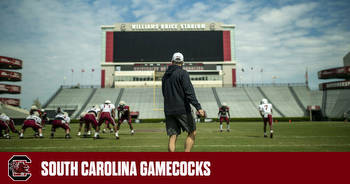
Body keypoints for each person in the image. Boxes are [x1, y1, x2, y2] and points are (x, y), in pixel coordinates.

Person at [162, 52, 205, 152]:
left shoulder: (165, 76)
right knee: (192, 131)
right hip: (182, 109)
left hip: (169, 110)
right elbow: (189, 92)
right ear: (182, 62)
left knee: (173, 135)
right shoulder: (183, 73)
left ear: (172, 62)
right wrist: (198, 107)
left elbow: (164, 93)